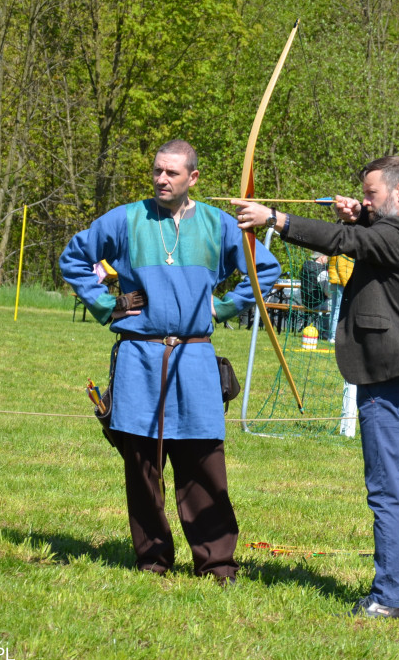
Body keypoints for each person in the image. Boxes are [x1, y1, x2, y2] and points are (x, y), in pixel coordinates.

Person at [233, 155, 399, 619]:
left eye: (372, 193)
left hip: (389, 374)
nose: (365, 200)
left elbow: (347, 241)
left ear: (398, 191)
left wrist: (276, 219)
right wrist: (366, 212)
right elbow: (375, 231)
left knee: (387, 490)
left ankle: (386, 597)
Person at [59, 139, 280, 583]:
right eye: (158, 171)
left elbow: (266, 269)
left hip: (195, 357)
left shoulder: (218, 225)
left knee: (203, 461)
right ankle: (153, 560)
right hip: (139, 357)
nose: (162, 179)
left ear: (192, 177)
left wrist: (224, 307)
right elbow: (74, 258)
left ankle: (217, 564)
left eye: (172, 173)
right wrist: (107, 306)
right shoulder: (125, 219)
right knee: (142, 463)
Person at [300, 252, 331, 336]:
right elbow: (327, 292)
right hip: (317, 303)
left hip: (305, 302)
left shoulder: (305, 267)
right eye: (326, 257)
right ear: (321, 257)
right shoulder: (322, 271)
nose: (327, 260)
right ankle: (326, 333)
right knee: (334, 302)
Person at [327, 253, 354, 342]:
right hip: (340, 283)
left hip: (334, 282)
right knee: (338, 309)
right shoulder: (344, 253)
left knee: (334, 309)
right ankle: (334, 336)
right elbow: (342, 269)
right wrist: (347, 285)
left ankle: (330, 335)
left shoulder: (335, 251)